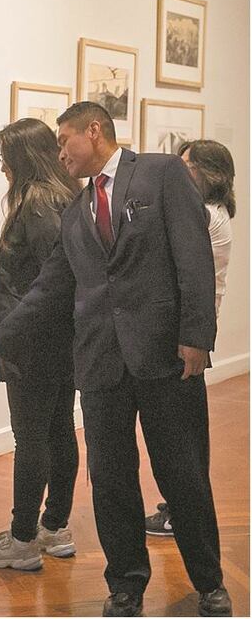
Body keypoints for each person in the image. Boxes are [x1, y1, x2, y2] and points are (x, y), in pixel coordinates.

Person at [0, 102, 231, 617]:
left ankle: (210, 582)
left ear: (94, 131)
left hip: (166, 358)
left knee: (183, 473)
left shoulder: (161, 173)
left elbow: (193, 256)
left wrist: (197, 335)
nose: (59, 151)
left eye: (65, 140)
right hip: (101, 364)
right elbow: (48, 289)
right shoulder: (74, 211)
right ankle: (125, 585)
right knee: (110, 481)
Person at [0, 118, 80, 571]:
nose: (1, 169)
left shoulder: (36, 204)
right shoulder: (65, 196)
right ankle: (54, 528)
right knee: (57, 430)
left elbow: (47, 285)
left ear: (21, 159)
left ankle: (22, 540)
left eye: (4, 159)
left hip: (36, 342)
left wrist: (0, 339)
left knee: (32, 437)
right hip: (60, 338)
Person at [144, 139, 237, 539]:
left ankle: (182, 513)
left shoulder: (204, 215)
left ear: (207, 173)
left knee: (182, 441)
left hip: (186, 337)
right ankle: (180, 509)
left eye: (186, 167)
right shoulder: (213, 213)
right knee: (186, 437)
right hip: (192, 333)